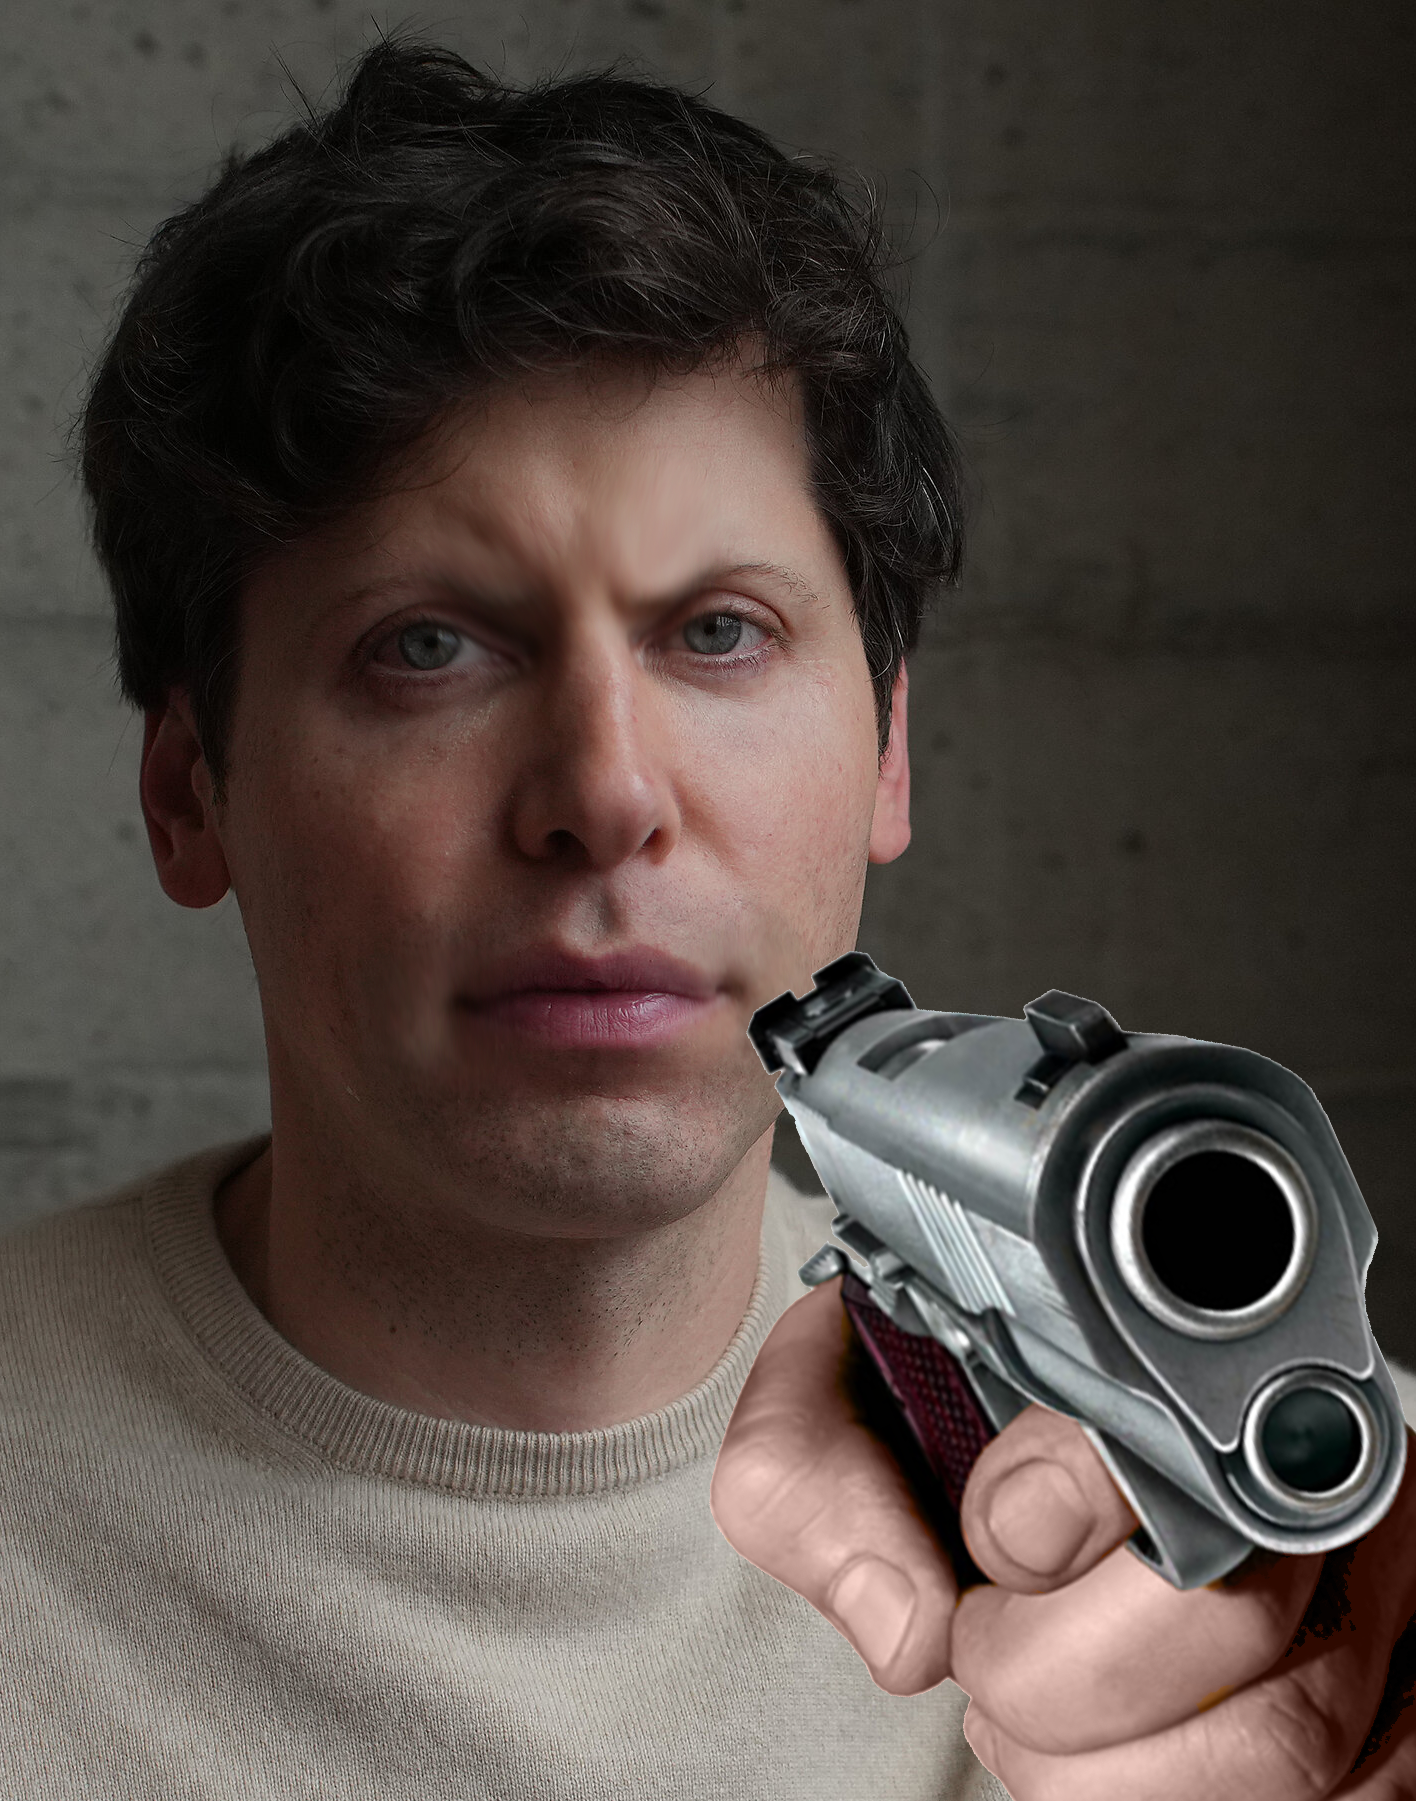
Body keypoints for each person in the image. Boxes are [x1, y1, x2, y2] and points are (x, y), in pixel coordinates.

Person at [1, 35, 1409, 1800]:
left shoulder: (1262, 1543)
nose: (605, 792)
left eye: (720, 634)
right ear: (188, 791)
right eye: (428, 647)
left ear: (889, 750)